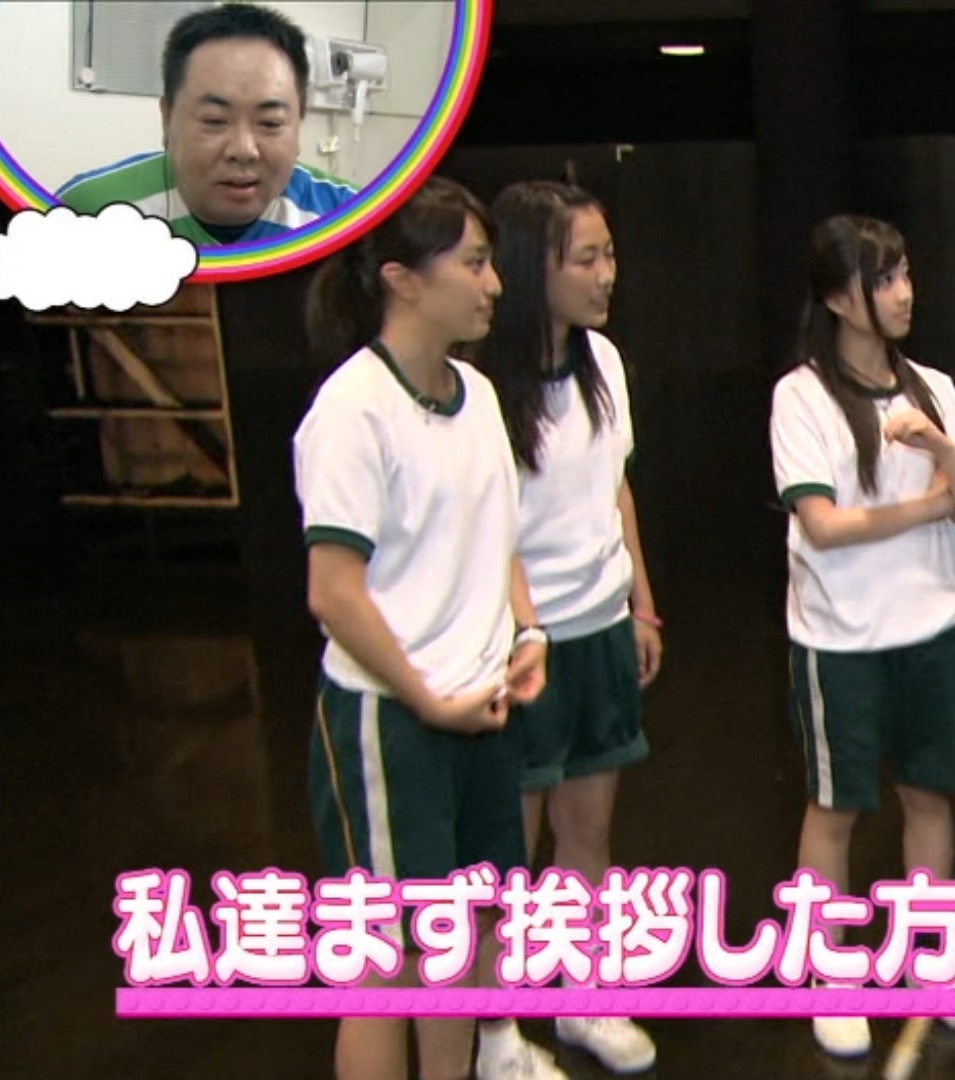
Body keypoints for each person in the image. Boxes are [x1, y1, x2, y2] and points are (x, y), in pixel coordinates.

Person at [294, 175, 559, 1080]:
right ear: (403, 280)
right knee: (385, 967)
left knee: (461, 938)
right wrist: (427, 700)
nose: (494, 285)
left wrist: (527, 633)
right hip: (392, 720)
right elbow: (334, 594)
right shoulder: (351, 411)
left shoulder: (477, 396)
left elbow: (497, 538)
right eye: (475, 264)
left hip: (480, 711)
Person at [770, 214, 955, 1057]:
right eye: (885, 279)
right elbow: (824, 526)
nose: (905, 294)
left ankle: (934, 959)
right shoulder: (801, 396)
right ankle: (829, 973)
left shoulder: (933, 388)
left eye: (905, 275)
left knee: (929, 796)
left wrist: (942, 450)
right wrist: (930, 504)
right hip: (840, 638)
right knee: (835, 806)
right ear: (839, 298)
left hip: (934, 628)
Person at [471, 180, 659, 1076]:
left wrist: (640, 603)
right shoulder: (477, 389)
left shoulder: (604, 362)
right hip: (519, 641)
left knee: (589, 830)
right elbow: (483, 529)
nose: (606, 273)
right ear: (529, 267)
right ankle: (494, 1031)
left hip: (600, 627)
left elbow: (616, 485)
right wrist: (523, 631)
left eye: (609, 253)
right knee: (507, 846)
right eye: (586, 258)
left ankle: (584, 998)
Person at [56, 2, 355, 246]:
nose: (244, 150)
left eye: (269, 122)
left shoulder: (353, 219)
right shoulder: (85, 213)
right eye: (215, 120)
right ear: (167, 119)